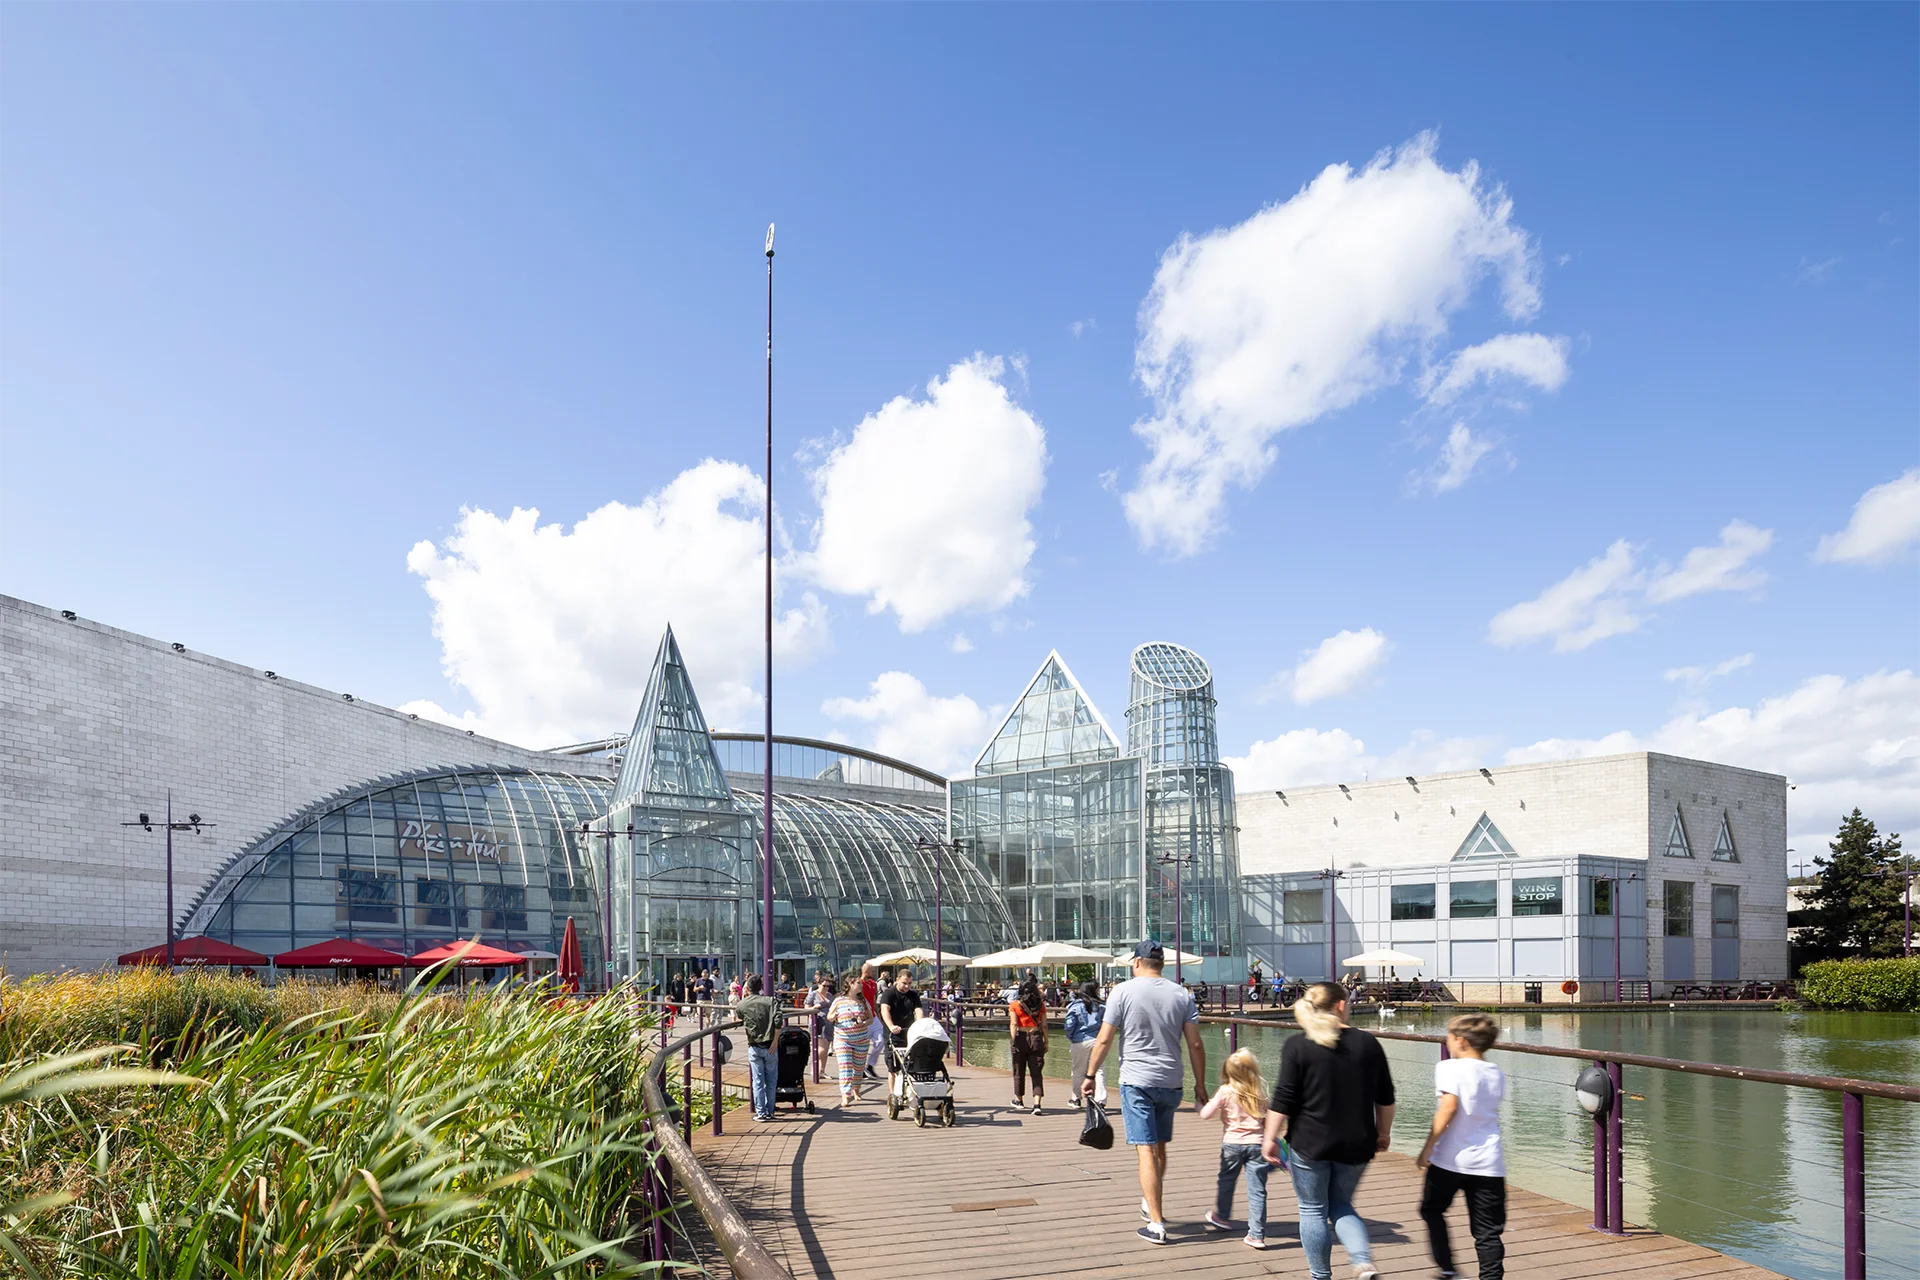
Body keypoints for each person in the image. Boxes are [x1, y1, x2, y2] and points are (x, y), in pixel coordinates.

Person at [1262, 981, 1395, 1280]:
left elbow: (1283, 1099)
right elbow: (1385, 1099)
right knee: (1340, 1204)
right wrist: (1383, 1133)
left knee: (1312, 1209)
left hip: (1309, 1143)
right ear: (1339, 1005)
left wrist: (1269, 1138)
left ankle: (1321, 1276)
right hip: (1356, 1142)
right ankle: (1362, 1262)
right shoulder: (1368, 1043)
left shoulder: (1298, 1045)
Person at [1080, 940, 1205, 1247]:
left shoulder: (1122, 991)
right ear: (1161, 964)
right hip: (1171, 1081)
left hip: (1137, 1081)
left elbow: (1105, 1039)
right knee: (1159, 1148)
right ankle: (1150, 1202)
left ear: (1137, 962)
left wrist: (1090, 1075)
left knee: (1145, 1150)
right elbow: (1196, 1044)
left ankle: (1157, 1224)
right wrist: (1200, 1084)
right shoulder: (1181, 993)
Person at [1416, 1014, 1507, 1280]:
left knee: (1432, 1209)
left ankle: (1447, 1268)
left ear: (1461, 1041)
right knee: (1488, 1232)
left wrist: (1427, 1148)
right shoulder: (1496, 1072)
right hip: (1490, 1161)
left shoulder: (1448, 1067)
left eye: (1448, 1037)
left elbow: (1449, 1107)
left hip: (1450, 1159)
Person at [1201, 1049, 1278, 1250]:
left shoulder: (1225, 1091)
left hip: (1232, 1145)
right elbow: (1268, 1118)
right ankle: (1256, 1234)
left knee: (1227, 1181)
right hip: (1257, 1144)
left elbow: (1205, 1115)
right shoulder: (1258, 1091)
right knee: (1257, 1191)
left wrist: (1199, 1106)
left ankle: (1223, 1216)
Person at [737, 973, 781, 1122]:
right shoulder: (771, 1001)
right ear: (761, 987)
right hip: (771, 1046)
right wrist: (775, 1041)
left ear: (747, 988)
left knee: (757, 1081)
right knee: (771, 1081)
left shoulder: (743, 1004)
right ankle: (770, 1111)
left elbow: (740, 1015)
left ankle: (761, 1112)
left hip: (754, 1046)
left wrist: (744, 996)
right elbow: (778, 1021)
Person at [827, 972, 874, 1106]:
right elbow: (829, 1016)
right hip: (843, 1038)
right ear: (850, 985)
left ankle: (856, 1089)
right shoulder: (838, 1000)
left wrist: (864, 1023)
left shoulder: (863, 1001)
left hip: (861, 1039)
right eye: (858, 983)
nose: (860, 985)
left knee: (858, 1068)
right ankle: (845, 1095)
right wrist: (833, 1016)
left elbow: (871, 1018)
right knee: (845, 1066)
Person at [878, 970, 922, 1098]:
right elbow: (884, 1010)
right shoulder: (888, 993)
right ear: (897, 979)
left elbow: (918, 1010)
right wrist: (891, 1026)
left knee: (911, 1065)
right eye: (904, 983)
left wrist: (920, 1025)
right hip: (893, 1033)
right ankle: (893, 1095)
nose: (907, 986)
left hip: (909, 1033)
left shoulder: (913, 995)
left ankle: (911, 1091)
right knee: (893, 1067)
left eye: (909, 983)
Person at [1008, 975, 1048, 1114]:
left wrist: (1013, 1041)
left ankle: (1019, 1100)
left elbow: (1013, 1024)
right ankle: (1037, 1104)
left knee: (1018, 1071)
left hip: (1021, 1037)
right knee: (1036, 1072)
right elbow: (1044, 1026)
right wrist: (1046, 1041)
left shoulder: (1014, 1005)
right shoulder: (1040, 1005)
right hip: (1036, 1037)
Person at [1064, 980, 1107, 1108]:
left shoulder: (1075, 1006)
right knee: (1099, 1071)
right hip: (1098, 1041)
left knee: (1078, 1070)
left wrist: (1072, 1037)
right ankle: (1100, 1100)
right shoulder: (1102, 1006)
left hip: (1080, 1040)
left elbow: (1069, 1025)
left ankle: (1076, 1098)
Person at [859, 961, 885, 1081]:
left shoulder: (873, 983)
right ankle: (861, 1069)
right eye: (872, 971)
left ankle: (870, 1066)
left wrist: (878, 1015)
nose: (874, 973)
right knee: (862, 1046)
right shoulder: (859, 983)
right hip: (864, 1017)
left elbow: (873, 1000)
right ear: (866, 972)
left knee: (880, 1041)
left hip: (874, 1017)